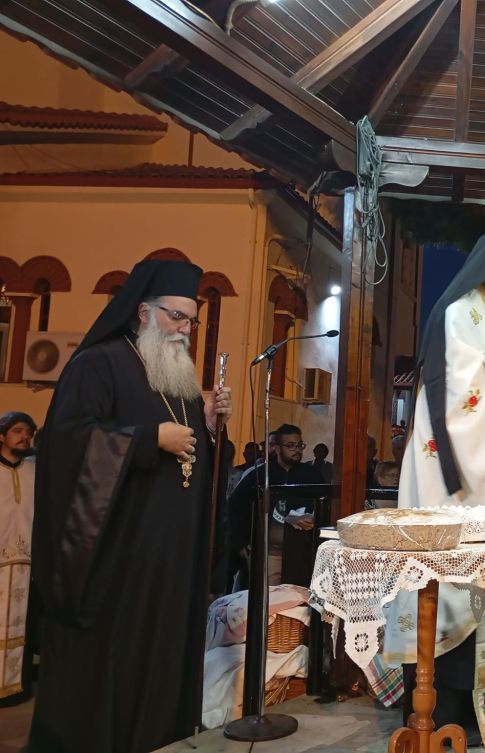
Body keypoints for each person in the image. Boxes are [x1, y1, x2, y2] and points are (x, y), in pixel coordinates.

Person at [28, 259, 232, 753]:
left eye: (191, 321)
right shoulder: (98, 363)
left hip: (171, 560)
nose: (185, 330)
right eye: (176, 317)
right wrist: (145, 439)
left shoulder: (180, 380)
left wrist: (208, 427)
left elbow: (193, 461)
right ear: (143, 312)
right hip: (118, 561)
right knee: (115, 663)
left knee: (162, 656)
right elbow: (65, 443)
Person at [389, 226, 485, 746]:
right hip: (449, 481)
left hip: (482, 483)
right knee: (449, 590)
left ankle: (481, 716)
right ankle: (439, 713)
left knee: (481, 593)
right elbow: (456, 392)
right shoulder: (461, 312)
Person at [227, 423, 324, 587]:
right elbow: (236, 508)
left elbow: (323, 506)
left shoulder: (312, 475)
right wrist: (241, 543)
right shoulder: (261, 474)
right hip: (267, 552)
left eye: (299, 445)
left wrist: (313, 519)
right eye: (290, 445)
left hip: (300, 553)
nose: (296, 450)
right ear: (277, 448)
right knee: (267, 596)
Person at [0, 411, 37, 703]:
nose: (25, 437)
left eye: (29, 432)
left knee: (24, 626)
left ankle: (17, 689)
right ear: (2, 436)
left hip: (26, 565)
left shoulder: (35, 470)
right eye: (18, 431)